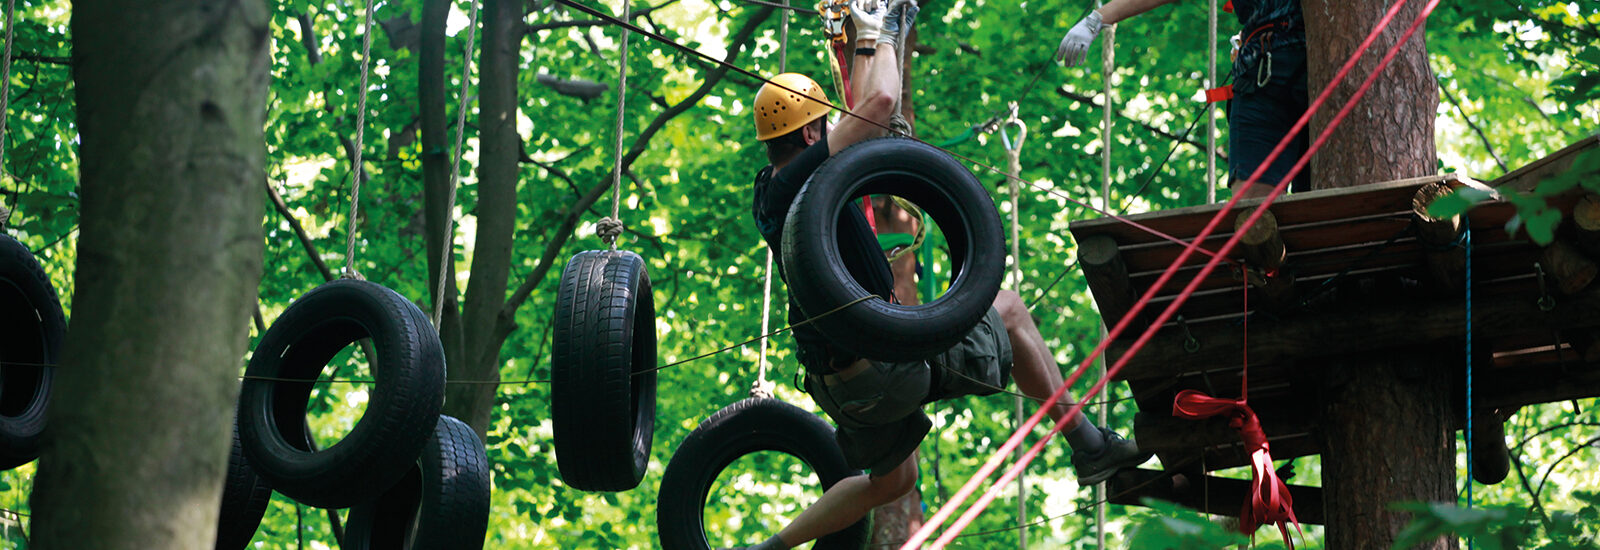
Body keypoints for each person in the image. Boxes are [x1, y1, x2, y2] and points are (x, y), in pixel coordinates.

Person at [739, 1, 1149, 548]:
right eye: (824, 125)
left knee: (893, 482)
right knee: (1008, 309)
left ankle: (767, 549)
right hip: (881, 371)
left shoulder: (772, 190)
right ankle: (1089, 445)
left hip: (836, 384)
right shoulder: (807, 181)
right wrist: (884, 26)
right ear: (813, 136)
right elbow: (879, 104)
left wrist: (865, 36)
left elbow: (862, 113)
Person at [1056, 0, 1310, 197]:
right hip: (1263, 72)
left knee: (1321, 195)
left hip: (1326, 69)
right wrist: (1097, 19)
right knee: (1253, 212)